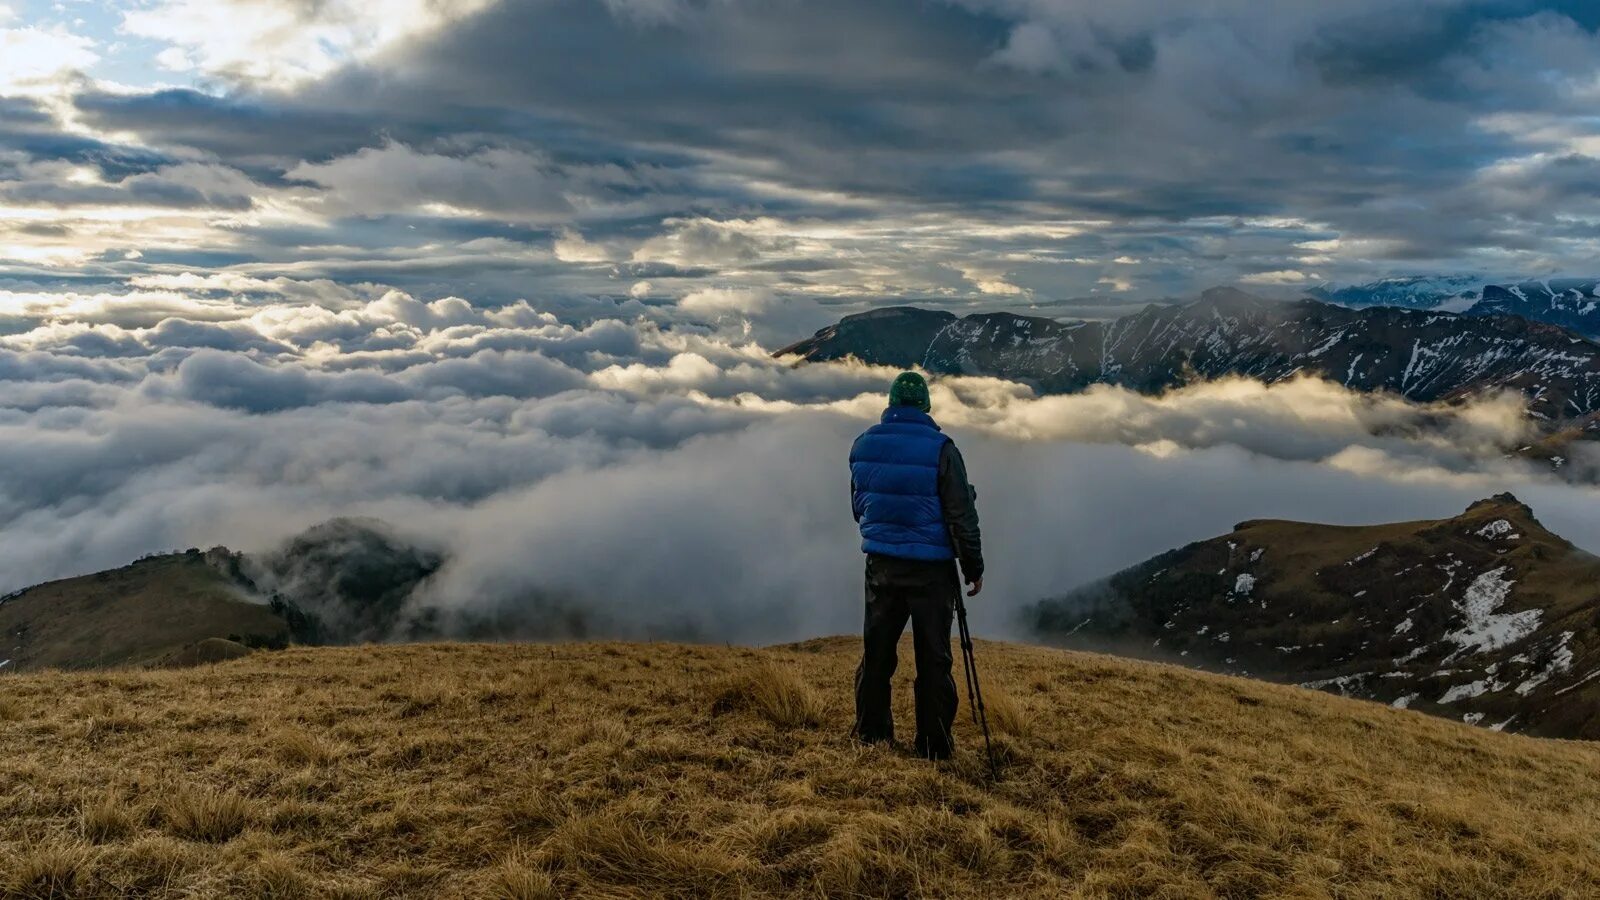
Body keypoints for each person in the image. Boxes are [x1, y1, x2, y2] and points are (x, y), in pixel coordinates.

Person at [849, 371, 983, 760]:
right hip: (932, 571)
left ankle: (872, 736)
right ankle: (933, 746)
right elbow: (961, 515)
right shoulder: (943, 450)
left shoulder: (863, 444)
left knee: (877, 654)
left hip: (882, 566)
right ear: (925, 405)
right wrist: (973, 567)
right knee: (934, 659)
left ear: (891, 403)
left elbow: (859, 507)